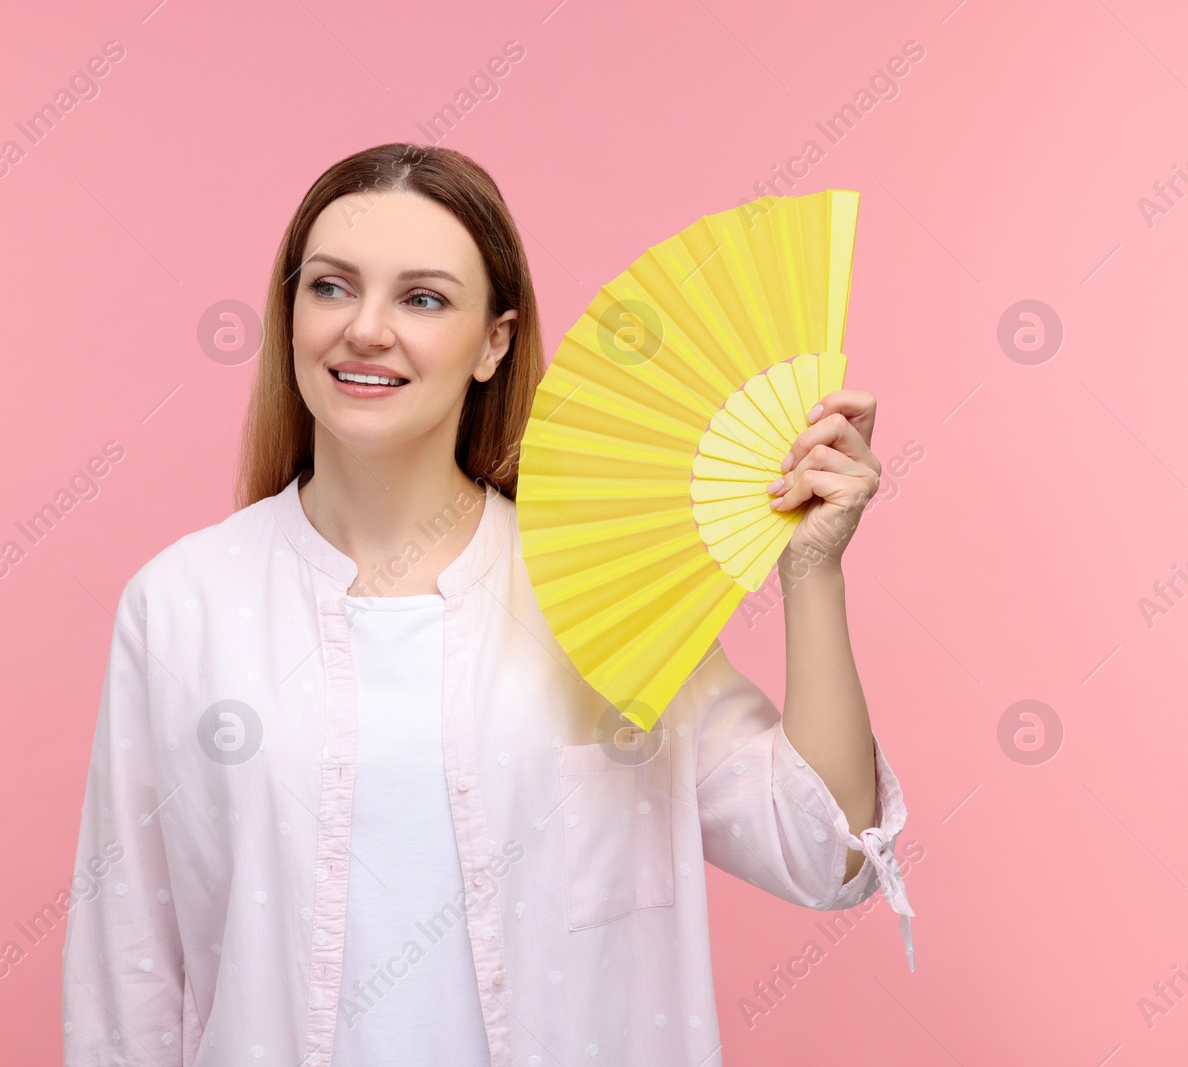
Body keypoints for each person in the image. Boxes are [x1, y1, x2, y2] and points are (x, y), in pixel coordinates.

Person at [61, 142, 912, 1066]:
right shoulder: (182, 605)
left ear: (493, 342)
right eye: (332, 287)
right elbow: (127, 974)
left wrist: (812, 574)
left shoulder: (597, 587)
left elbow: (826, 851)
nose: (367, 330)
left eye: (422, 298)